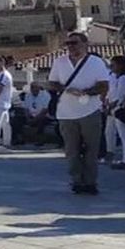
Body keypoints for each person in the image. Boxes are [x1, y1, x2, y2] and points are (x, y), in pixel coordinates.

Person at [50, 32, 110, 195]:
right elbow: (52, 83)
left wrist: (86, 92)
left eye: (74, 43)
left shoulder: (96, 62)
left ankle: (90, 182)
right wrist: (66, 89)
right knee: (72, 150)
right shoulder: (59, 62)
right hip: (66, 112)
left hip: (89, 110)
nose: (71, 46)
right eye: (68, 43)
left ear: (85, 44)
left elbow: (104, 85)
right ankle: (77, 180)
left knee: (92, 148)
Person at [104, 56, 125, 170]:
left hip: (121, 110)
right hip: (115, 109)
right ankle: (112, 153)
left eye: (113, 65)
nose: (111, 67)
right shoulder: (117, 77)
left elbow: (121, 96)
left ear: (120, 65)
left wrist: (110, 107)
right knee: (111, 132)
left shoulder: (124, 78)